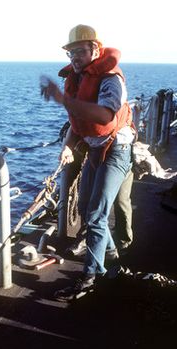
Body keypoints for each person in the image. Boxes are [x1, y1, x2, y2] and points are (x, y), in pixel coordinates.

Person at [40, 24, 135, 301]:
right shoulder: (79, 79)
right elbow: (77, 120)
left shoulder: (110, 79)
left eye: (80, 51)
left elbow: (105, 116)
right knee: (84, 207)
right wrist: (68, 146)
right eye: (71, 53)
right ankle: (113, 256)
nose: (75, 58)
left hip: (116, 150)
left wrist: (62, 99)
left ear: (96, 49)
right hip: (94, 150)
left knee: (95, 215)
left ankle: (91, 276)